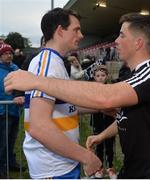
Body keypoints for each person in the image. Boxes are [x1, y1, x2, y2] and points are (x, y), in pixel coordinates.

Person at [4, 13, 150, 178]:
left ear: (138, 43)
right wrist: (101, 135)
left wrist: (36, 81)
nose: (116, 41)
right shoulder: (137, 76)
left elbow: (107, 96)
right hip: (134, 168)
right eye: (76, 29)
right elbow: (129, 117)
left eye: (122, 35)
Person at [5, 8, 102, 179]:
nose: (81, 35)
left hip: (61, 164)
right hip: (53, 168)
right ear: (59, 31)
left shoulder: (55, 61)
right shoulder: (47, 63)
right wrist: (87, 157)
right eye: (76, 29)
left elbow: (63, 106)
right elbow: (39, 127)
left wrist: (100, 108)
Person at [0, 43, 24, 178]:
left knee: (12, 139)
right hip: (3, 111)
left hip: (15, 110)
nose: (9, 55)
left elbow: (21, 86)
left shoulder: (16, 68)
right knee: (3, 141)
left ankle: (11, 162)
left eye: (10, 53)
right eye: (5, 53)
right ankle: (1, 167)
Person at [90, 65, 117, 179]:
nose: (100, 78)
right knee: (99, 145)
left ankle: (110, 167)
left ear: (107, 76)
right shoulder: (92, 90)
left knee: (110, 146)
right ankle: (99, 168)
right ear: (94, 77)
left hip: (109, 122)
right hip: (97, 122)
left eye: (102, 75)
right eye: (98, 76)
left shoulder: (111, 89)